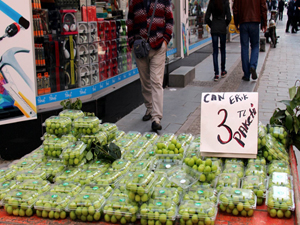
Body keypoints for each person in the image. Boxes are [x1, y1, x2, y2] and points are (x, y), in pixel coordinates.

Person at [127, 0, 173, 131]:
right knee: (145, 82)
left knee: (156, 82)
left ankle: (156, 118)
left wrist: (165, 40)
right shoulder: (134, 1)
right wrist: (131, 41)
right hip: (139, 47)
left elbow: (170, 20)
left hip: (158, 46)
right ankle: (149, 108)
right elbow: (130, 21)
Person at [233, 0, 267, 82]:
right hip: (255, 22)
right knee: (255, 46)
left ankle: (246, 74)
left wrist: (236, 23)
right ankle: (253, 66)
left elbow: (235, 9)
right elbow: (263, 7)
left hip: (243, 22)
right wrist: (264, 23)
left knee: (244, 47)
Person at [205, 0, 231, 81]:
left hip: (214, 28)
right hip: (222, 28)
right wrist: (224, 23)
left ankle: (216, 73)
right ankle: (223, 70)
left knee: (215, 51)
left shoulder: (212, 2)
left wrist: (212, 24)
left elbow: (207, 17)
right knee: (223, 50)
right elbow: (229, 17)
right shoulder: (225, 2)